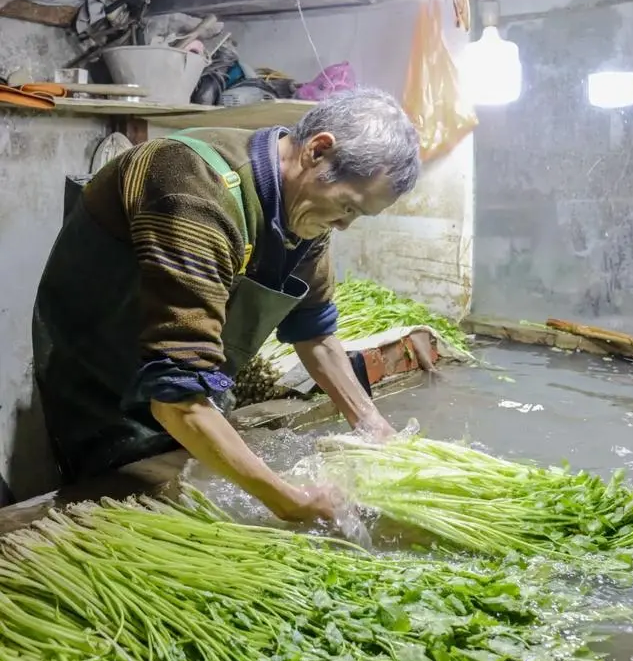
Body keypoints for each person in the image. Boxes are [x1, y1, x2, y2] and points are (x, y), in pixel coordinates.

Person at [33, 87, 420, 522]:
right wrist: (289, 500)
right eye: (348, 206)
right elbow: (175, 399)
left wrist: (373, 426)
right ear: (318, 150)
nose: (345, 225)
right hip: (104, 385)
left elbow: (314, 331)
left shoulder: (305, 210)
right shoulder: (192, 186)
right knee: (112, 511)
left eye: (358, 215)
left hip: (188, 390)